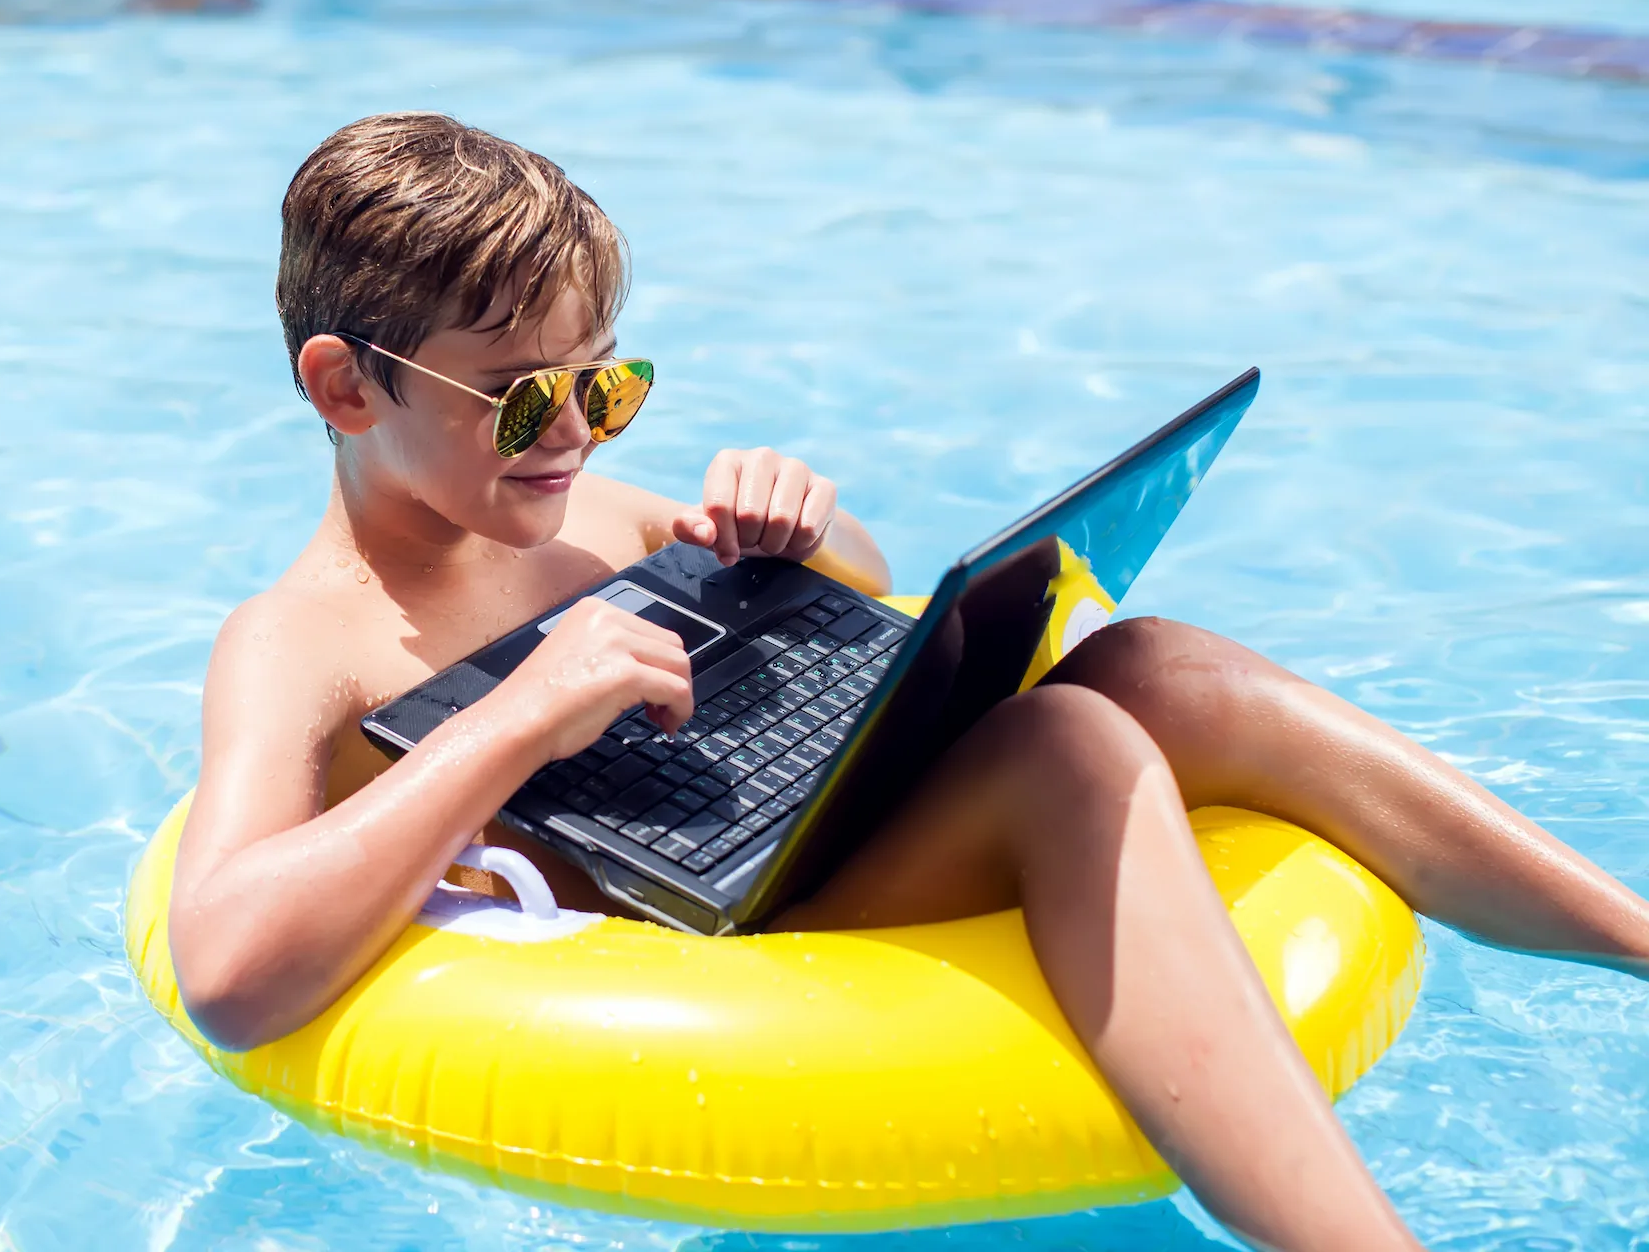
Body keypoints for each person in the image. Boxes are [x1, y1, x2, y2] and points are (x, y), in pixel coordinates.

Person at [167, 112, 1649, 1252]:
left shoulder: (598, 520)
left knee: (1157, 665)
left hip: (787, 825)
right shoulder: (307, 640)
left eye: (611, 383)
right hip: (716, 940)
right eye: (528, 398)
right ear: (346, 386)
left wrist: (795, 525)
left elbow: (865, 580)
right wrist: (518, 716)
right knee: (1072, 744)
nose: (579, 437)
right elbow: (231, 970)